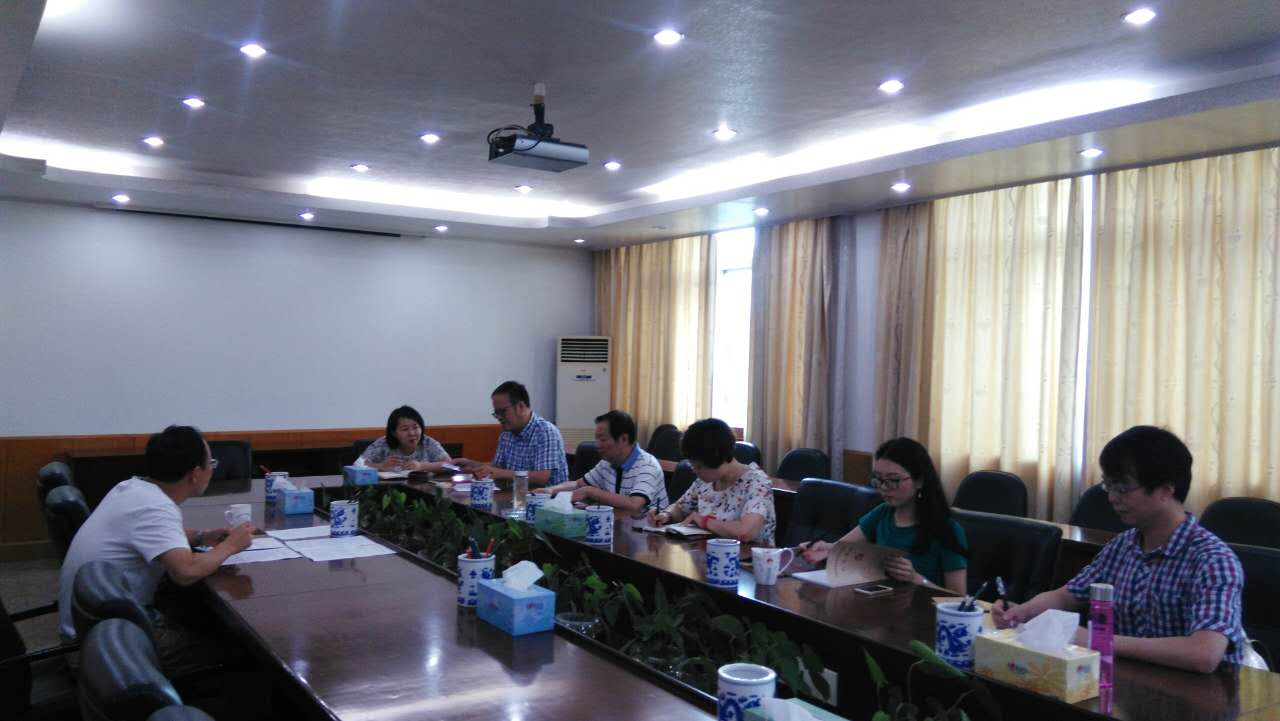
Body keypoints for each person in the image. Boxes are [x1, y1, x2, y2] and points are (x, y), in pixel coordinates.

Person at [992, 426, 1245, 673]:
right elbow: (1067, 595)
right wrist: (1022, 611)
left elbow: (1203, 654)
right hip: (1129, 680)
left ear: (1166, 491)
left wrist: (1097, 640)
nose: (1112, 498)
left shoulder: (1213, 560)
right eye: (1108, 486)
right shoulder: (1123, 545)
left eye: (1122, 488)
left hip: (1196, 693)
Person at [57, 425, 254, 672]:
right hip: (106, 649)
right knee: (238, 645)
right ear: (195, 474)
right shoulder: (155, 508)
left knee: (197, 613)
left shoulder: (132, 489)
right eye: (211, 463)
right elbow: (185, 572)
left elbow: (155, 536)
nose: (212, 469)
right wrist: (231, 545)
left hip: (96, 627)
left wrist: (203, 537)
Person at [801, 437, 968, 594]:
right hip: (882, 605)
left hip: (923, 612)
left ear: (919, 481)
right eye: (878, 479)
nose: (883, 487)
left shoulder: (948, 530)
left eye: (893, 480)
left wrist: (915, 578)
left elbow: (958, 598)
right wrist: (825, 548)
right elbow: (843, 547)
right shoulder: (883, 512)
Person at [647, 418, 776, 545]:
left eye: (699, 466)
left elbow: (746, 532)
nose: (695, 471)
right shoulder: (704, 482)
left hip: (746, 556)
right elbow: (680, 508)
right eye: (693, 465)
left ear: (719, 457)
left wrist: (704, 521)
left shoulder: (757, 483)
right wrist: (666, 515)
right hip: (707, 552)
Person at [546, 410, 668, 516]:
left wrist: (590, 492)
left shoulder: (647, 465)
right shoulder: (607, 462)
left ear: (623, 439)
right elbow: (578, 484)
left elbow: (634, 504)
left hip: (650, 532)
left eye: (602, 439)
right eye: (596, 439)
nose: (597, 445)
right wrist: (550, 490)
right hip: (618, 525)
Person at [455, 380, 569, 486]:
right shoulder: (507, 433)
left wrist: (498, 473)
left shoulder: (546, 432)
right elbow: (498, 467)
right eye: (496, 413)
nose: (499, 417)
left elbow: (541, 477)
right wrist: (473, 464)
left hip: (548, 498)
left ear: (521, 406)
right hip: (516, 496)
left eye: (503, 412)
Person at [355, 405, 453, 472]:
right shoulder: (382, 444)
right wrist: (381, 466)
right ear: (394, 433)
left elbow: (450, 465)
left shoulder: (427, 442)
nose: (412, 433)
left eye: (415, 427)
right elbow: (357, 465)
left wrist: (422, 466)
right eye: (405, 429)